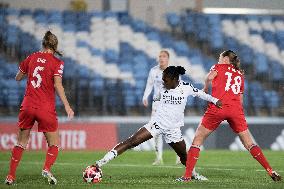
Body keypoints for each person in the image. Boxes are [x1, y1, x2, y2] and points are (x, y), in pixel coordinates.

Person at [92, 66, 222, 180]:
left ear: (175, 79)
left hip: (173, 129)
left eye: (166, 79)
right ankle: (100, 163)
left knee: (183, 156)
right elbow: (157, 96)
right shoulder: (162, 86)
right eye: (163, 79)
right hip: (157, 123)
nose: (163, 81)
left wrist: (215, 100)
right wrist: (156, 99)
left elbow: (201, 94)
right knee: (132, 141)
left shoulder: (186, 88)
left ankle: (193, 174)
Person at [177, 50, 281, 182]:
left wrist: (205, 88)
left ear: (226, 59)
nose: (218, 59)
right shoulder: (239, 74)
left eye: (220, 57)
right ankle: (270, 170)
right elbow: (241, 99)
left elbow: (209, 77)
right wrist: (236, 112)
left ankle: (187, 177)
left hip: (218, 106)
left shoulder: (218, 67)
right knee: (249, 143)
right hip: (236, 110)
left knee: (198, 139)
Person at [5, 31, 74, 185]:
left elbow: (18, 77)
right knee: (54, 144)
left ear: (43, 44)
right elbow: (58, 85)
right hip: (45, 108)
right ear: (55, 46)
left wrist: (25, 73)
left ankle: (10, 176)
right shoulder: (57, 63)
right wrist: (67, 106)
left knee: (21, 142)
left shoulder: (32, 57)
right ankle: (46, 168)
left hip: (28, 105)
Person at [142, 50, 169, 165]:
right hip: (157, 104)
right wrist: (145, 97)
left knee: (172, 130)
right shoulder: (154, 71)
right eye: (160, 56)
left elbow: (180, 88)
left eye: (163, 56)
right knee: (156, 131)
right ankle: (159, 157)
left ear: (168, 59)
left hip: (170, 104)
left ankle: (180, 154)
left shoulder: (173, 71)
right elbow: (149, 85)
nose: (161, 58)